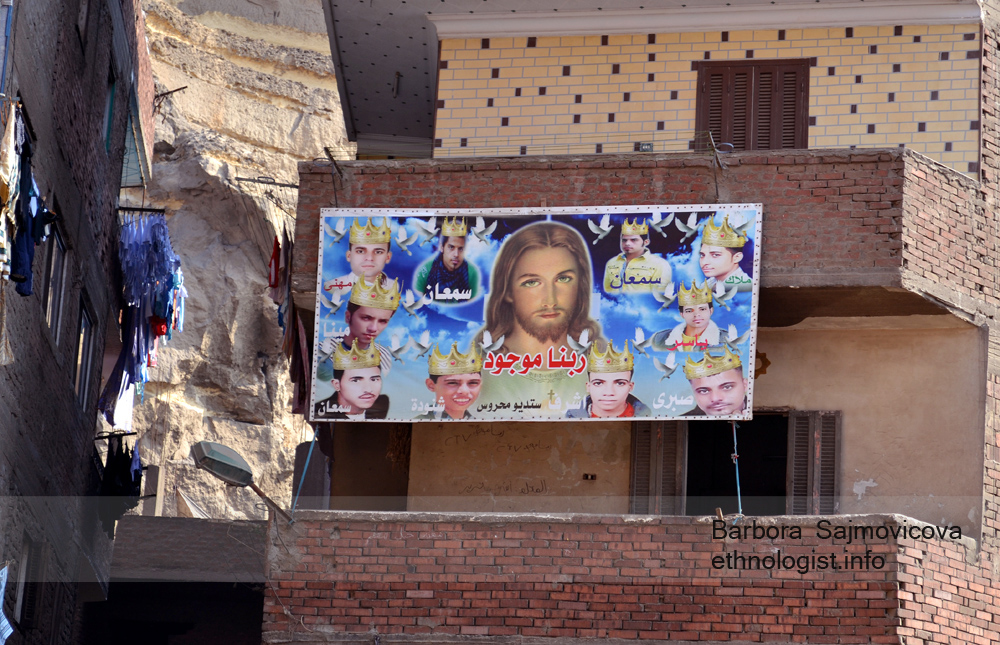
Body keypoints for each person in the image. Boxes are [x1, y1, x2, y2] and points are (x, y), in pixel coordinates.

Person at [566, 340, 650, 418]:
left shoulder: (647, 416)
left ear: (630, 387)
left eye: (620, 383)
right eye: (598, 383)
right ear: (588, 387)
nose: (609, 393)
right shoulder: (571, 418)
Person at [313, 339, 389, 420]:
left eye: (374, 379)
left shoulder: (382, 403)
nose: (368, 389)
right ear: (337, 385)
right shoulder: (319, 412)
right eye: (356, 380)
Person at [341, 273, 401, 374]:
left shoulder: (384, 356)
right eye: (366, 318)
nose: (373, 328)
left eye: (382, 321)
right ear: (348, 317)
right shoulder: (325, 351)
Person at [413, 217, 480, 303]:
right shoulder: (426, 270)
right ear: (442, 247)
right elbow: (419, 300)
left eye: (460, 249)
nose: (456, 254)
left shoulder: (472, 272)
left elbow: (472, 304)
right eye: (451, 247)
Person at [323, 217, 392, 297]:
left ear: (388, 257)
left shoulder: (394, 286)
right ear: (349, 256)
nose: (369, 258)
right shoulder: (332, 287)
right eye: (360, 251)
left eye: (378, 252)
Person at [415, 341, 483, 420]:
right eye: (452, 383)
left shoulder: (479, 422)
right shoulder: (419, 422)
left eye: (473, 383)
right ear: (431, 385)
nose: (464, 391)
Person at [602, 218, 671, 293]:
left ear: (646, 242)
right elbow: (608, 291)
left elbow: (660, 295)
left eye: (633, 240)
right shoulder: (612, 263)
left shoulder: (660, 264)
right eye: (624, 240)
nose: (627, 243)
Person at [651, 281, 721, 351]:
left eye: (702, 309)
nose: (696, 314)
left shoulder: (724, 339)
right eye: (689, 311)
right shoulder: (660, 339)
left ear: (711, 311)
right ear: (682, 314)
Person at [682, 345, 748, 416]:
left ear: (745, 385)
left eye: (727, 387)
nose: (715, 398)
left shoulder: (755, 411)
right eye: (704, 391)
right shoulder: (683, 419)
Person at [699, 214, 751, 292]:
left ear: (737, 257)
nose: (704, 262)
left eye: (715, 255)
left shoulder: (745, 289)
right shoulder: (707, 284)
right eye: (702, 255)